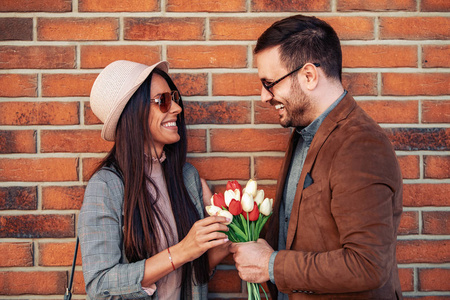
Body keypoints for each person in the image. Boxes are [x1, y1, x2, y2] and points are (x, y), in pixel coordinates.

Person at [229, 15, 403, 299]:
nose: (263, 96)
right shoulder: (304, 131)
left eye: (269, 83)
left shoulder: (360, 145)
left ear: (308, 76)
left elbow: (368, 265)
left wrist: (270, 265)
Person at [78, 60, 230, 300]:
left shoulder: (187, 177)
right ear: (133, 113)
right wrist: (181, 251)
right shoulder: (106, 186)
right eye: (163, 101)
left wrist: (220, 245)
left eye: (174, 98)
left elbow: (190, 278)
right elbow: (100, 285)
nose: (178, 109)